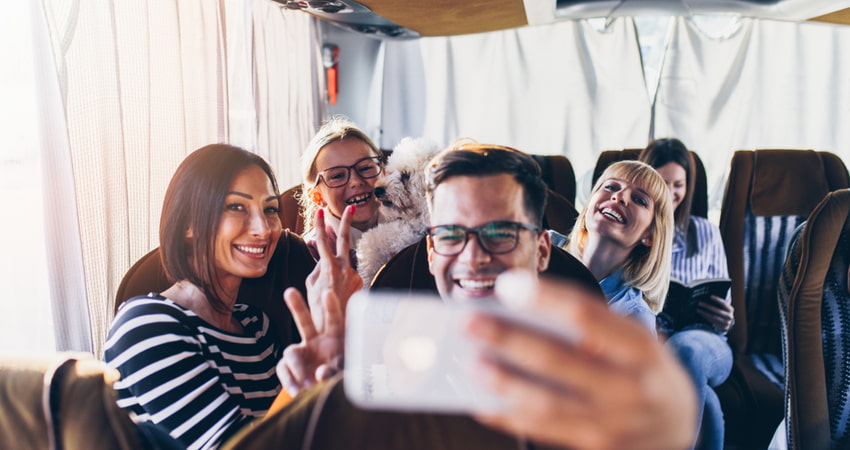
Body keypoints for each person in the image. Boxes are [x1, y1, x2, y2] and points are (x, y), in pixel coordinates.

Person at [262, 141, 698, 450]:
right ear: (431, 252)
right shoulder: (381, 362)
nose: (473, 257)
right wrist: (309, 401)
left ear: (542, 249)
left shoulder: (571, 375)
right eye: (452, 235)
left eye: (501, 233)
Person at [104, 144, 287, 449]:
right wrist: (309, 372)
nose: (263, 229)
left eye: (270, 209)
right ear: (188, 223)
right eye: (236, 207)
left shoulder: (256, 327)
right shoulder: (145, 325)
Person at [639, 138, 735, 450]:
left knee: (687, 351)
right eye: (662, 182)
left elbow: (724, 306)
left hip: (707, 343)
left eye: (678, 184)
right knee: (706, 401)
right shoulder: (635, 234)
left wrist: (725, 316)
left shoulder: (706, 231)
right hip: (654, 342)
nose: (670, 192)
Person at [567, 160, 674, 335]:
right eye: (610, 187)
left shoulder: (635, 319)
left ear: (650, 235)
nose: (619, 197)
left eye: (639, 200)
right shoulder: (542, 248)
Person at [298, 116, 384, 257]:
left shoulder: (413, 226)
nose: (356, 181)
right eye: (337, 176)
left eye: (365, 167)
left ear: (384, 170)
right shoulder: (310, 255)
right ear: (316, 196)